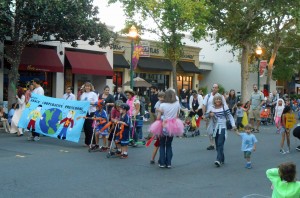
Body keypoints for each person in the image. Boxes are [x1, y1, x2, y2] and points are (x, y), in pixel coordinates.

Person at [149, 89, 184, 168]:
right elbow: (177, 116)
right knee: (169, 145)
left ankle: (162, 163)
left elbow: (158, 117)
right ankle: (168, 163)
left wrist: (160, 114)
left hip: (163, 124)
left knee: (162, 144)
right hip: (172, 125)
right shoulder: (177, 104)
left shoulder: (163, 105)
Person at [207, 93, 236, 167]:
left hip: (222, 127)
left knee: (220, 143)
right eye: (216, 99)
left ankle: (218, 159)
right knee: (217, 145)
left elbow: (230, 116)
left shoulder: (224, 107)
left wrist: (233, 125)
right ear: (214, 100)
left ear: (221, 100)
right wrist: (210, 115)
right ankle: (222, 158)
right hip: (214, 127)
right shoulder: (212, 107)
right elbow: (205, 116)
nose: (218, 100)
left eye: (219, 99)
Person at [202, 84, 227, 150]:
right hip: (209, 115)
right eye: (213, 87)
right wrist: (204, 114)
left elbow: (224, 105)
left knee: (218, 130)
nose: (214, 89)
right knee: (209, 130)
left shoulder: (220, 96)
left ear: (218, 89)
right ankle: (212, 144)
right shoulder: (208, 96)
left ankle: (217, 144)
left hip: (218, 116)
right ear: (212, 88)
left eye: (216, 88)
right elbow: (204, 105)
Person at [80, 82, 99, 147]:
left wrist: (89, 103)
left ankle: (92, 142)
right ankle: (87, 142)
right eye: (86, 86)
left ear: (90, 87)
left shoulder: (93, 94)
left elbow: (96, 103)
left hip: (91, 112)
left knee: (90, 127)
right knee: (85, 127)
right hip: (85, 112)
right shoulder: (83, 94)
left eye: (88, 86)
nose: (87, 87)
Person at [150, 91, 165, 164]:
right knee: (157, 144)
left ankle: (158, 158)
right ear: (158, 97)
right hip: (159, 122)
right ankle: (152, 158)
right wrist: (161, 110)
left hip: (163, 123)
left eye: (163, 97)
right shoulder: (158, 103)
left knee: (161, 144)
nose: (161, 98)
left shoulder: (165, 103)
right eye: (160, 97)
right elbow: (156, 109)